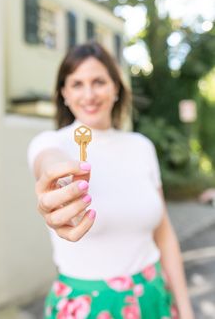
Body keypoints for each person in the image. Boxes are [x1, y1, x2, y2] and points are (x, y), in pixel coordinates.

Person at [27, 42, 194, 319]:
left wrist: (186, 310)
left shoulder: (142, 146)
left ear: (116, 88)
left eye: (99, 82)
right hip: (86, 306)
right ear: (64, 94)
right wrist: (56, 180)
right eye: (77, 84)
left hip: (153, 296)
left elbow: (163, 234)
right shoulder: (51, 142)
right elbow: (48, 162)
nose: (89, 94)